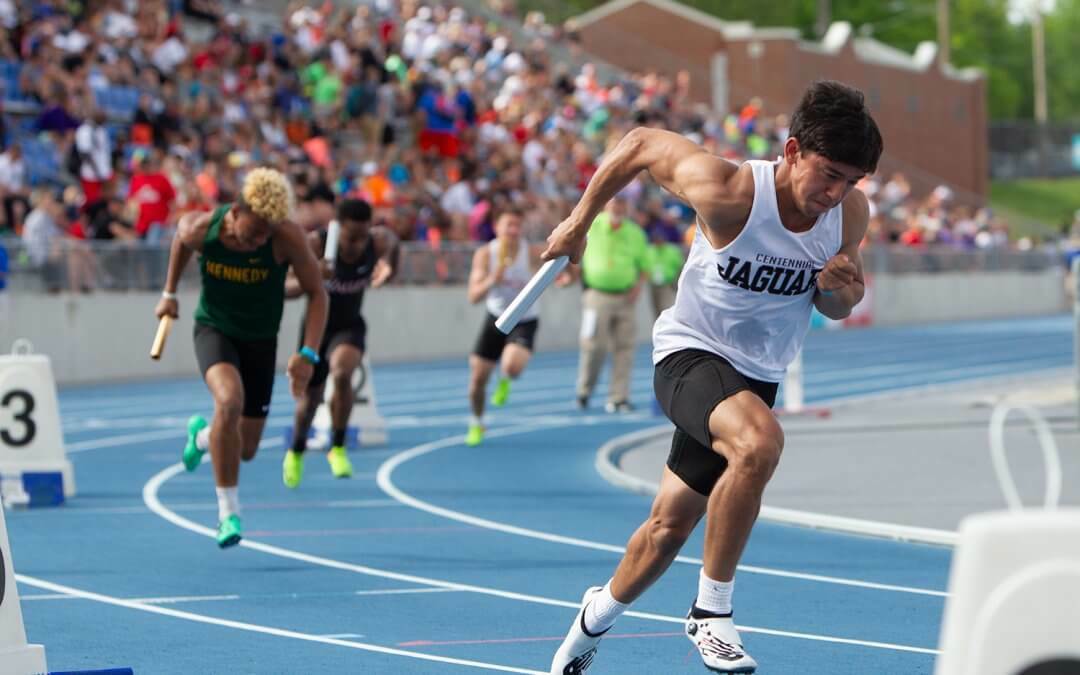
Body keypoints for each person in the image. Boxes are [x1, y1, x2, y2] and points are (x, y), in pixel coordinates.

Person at [544, 80, 882, 674]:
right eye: (828, 174)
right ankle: (711, 612)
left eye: (852, 180)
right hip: (689, 354)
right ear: (793, 150)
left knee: (666, 529)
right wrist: (579, 224)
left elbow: (841, 303)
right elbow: (642, 142)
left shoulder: (849, 212)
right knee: (759, 443)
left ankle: (588, 623)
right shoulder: (728, 191)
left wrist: (839, 290)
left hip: (758, 377)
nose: (836, 193)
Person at [154, 167, 328, 548]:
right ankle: (228, 513)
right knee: (229, 402)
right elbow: (181, 239)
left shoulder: (287, 237)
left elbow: (319, 294)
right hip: (214, 330)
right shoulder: (204, 229)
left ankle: (202, 437)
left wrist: (307, 354)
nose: (260, 240)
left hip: (261, 341)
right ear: (237, 210)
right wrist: (169, 292)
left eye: (268, 231)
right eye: (255, 231)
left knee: (245, 448)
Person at [282, 197, 398, 487]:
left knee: (343, 373)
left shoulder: (377, 242)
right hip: (315, 329)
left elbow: (394, 242)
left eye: (362, 236)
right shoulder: (316, 244)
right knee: (310, 402)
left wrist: (390, 269)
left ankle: (338, 447)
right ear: (339, 227)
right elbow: (286, 290)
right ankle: (296, 451)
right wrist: (314, 277)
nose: (357, 244)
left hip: (350, 325)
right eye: (351, 237)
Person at [464, 207, 552, 446]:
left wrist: (567, 278)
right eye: (508, 225)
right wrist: (493, 279)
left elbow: (561, 273)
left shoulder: (532, 252)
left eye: (517, 226)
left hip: (524, 318)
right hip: (496, 317)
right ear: (497, 228)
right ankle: (476, 422)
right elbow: (473, 296)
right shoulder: (485, 254)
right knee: (476, 382)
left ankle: (505, 378)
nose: (513, 231)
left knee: (513, 365)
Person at [575, 196, 649, 413]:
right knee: (593, 345)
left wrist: (637, 287)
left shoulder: (635, 233)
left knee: (624, 347)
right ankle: (584, 390)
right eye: (615, 202)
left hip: (625, 296)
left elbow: (644, 265)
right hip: (597, 295)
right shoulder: (593, 225)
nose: (618, 206)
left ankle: (619, 396)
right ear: (607, 204)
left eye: (622, 203)